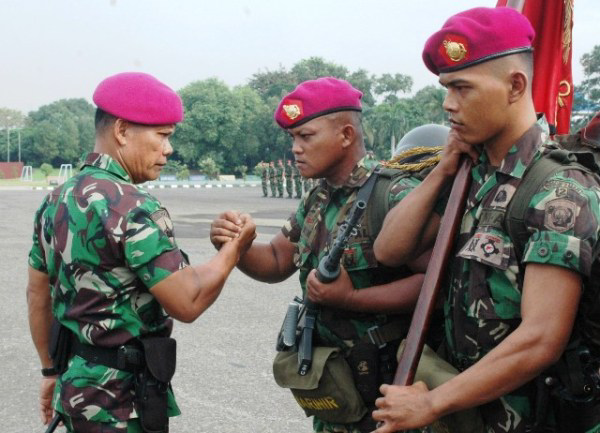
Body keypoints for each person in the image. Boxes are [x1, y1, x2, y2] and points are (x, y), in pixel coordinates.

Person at [372, 7, 600, 433]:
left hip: (536, 418)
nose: (447, 104)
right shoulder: (473, 174)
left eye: (462, 88)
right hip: (473, 414)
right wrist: (442, 171)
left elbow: (541, 338)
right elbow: (389, 251)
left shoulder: (560, 190)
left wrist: (432, 404)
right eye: (445, 88)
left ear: (515, 85)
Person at [26, 72, 255, 433]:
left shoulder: (55, 199)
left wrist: (50, 370)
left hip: (75, 391)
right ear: (121, 131)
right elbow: (187, 301)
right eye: (162, 135)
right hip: (122, 403)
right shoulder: (134, 206)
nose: (168, 149)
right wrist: (234, 249)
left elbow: (38, 294)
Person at [210, 77, 428, 433]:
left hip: (391, 387)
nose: (295, 148)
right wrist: (237, 246)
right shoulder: (319, 198)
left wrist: (353, 298)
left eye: (306, 136)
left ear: (345, 135)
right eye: (293, 138)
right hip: (337, 384)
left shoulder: (394, 195)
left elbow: (433, 284)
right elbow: (278, 261)